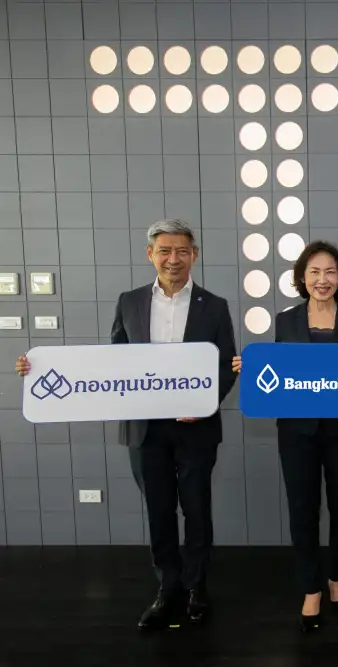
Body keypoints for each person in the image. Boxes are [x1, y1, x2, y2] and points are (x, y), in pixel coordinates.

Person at [16, 219, 238, 630]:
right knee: (158, 511)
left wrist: (205, 402)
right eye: (165, 251)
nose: (173, 259)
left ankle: (196, 587)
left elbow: (226, 365)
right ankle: (167, 587)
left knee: (197, 511)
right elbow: (111, 362)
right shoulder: (129, 301)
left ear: (194, 255)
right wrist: (38, 369)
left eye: (182, 251)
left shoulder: (215, 305)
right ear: (150, 254)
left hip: (196, 428)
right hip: (144, 429)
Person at [233, 240, 338, 633]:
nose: (322, 279)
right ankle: (311, 587)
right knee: (303, 510)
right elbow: (278, 374)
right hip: (297, 433)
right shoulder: (286, 320)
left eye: (330, 272)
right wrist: (252, 368)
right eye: (314, 272)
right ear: (302, 277)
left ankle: (337, 577)